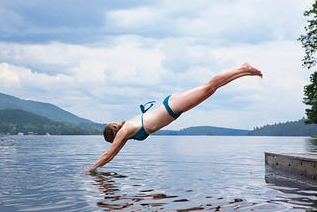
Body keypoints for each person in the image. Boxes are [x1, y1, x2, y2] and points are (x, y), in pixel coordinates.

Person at [89, 63, 262, 172]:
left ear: (113, 136)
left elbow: (107, 154)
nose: (113, 144)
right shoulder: (126, 132)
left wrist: (90, 170)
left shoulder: (125, 130)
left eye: (111, 141)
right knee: (210, 89)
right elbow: (112, 155)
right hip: (172, 108)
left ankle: (243, 69)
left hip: (171, 107)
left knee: (209, 87)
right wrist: (96, 169)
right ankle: (243, 71)